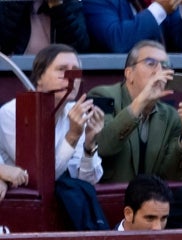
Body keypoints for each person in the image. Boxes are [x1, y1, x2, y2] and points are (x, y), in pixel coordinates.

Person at [86, 40, 182, 184]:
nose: (159, 71)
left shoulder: (171, 116)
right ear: (129, 73)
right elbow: (103, 145)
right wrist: (142, 100)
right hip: (109, 201)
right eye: (151, 63)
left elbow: (173, 176)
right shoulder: (101, 96)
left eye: (165, 66)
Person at [0, 45, 104, 185]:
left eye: (75, 71)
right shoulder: (13, 112)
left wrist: (89, 145)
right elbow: (41, 177)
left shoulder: (75, 112)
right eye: (61, 70)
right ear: (39, 78)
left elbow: (88, 180)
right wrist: (72, 136)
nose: (70, 78)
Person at [82, 0, 182, 53]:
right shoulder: (97, 1)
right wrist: (159, 9)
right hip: (118, 85)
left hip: (166, 84)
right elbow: (117, 41)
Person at [0, 0, 91, 55]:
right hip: (16, 74)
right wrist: (16, 4)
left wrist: (58, 7)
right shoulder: (5, 4)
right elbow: (3, 46)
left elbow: (80, 49)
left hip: (58, 73)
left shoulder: (71, 4)